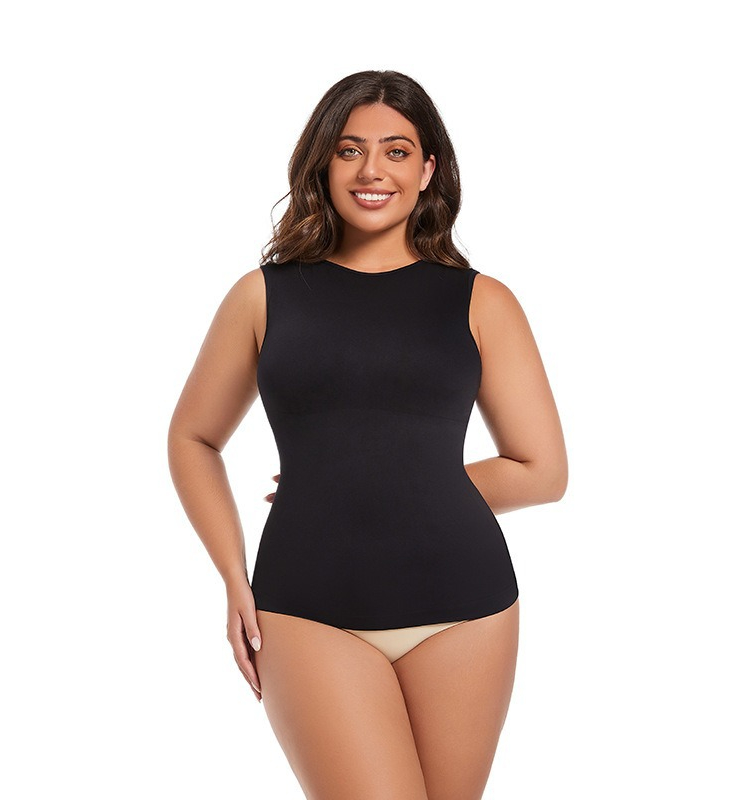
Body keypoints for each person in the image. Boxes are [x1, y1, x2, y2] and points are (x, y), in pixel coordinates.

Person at [167, 69, 567, 800]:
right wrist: (232, 578)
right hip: (307, 607)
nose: (372, 170)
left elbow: (542, 471)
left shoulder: (483, 302)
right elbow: (193, 437)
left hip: (466, 609)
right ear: (323, 163)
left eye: (396, 151)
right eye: (349, 150)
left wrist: (392, 483)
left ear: (428, 170)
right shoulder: (264, 295)